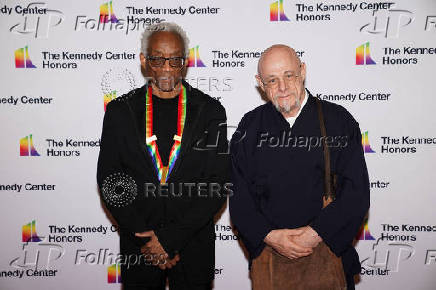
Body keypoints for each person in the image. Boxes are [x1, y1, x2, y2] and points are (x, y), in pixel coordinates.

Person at [97, 22, 229, 290]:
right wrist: (148, 242)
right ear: (145, 61)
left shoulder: (211, 111)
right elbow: (111, 181)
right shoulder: (120, 112)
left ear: (186, 61)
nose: (168, 68)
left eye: (175, 60)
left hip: (193, 244)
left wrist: (170, 239)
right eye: (158, 59)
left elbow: (217, 184)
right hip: (140, 245)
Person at [229, 44, 370, 289]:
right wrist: (270, 236)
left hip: (327, 255)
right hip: (270, 263)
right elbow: (239, 197)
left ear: (302, 71)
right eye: (272, 80)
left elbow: (356, 193)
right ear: (260, 83)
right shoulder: (249, 127)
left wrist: (314, 234)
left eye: (289, 75)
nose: (282, 87)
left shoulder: (337, 121)